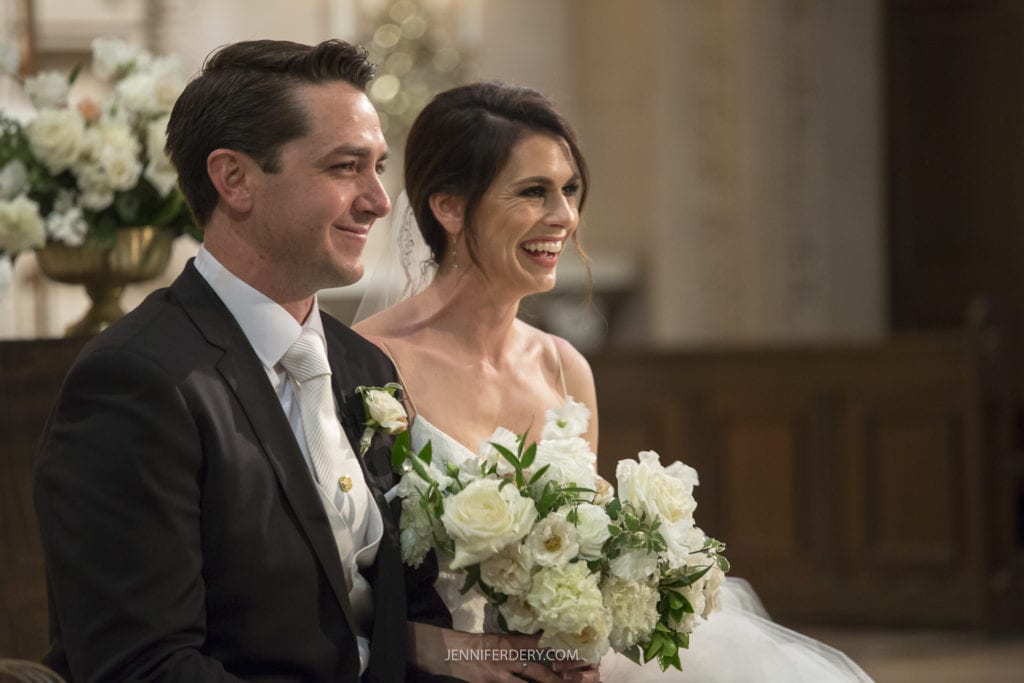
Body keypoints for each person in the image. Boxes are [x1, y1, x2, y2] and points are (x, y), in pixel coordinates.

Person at [354, 81, 873, 682]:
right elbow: (351, 586)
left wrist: (586, 635)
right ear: (448, 207)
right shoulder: (373, 364)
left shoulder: (564, 366)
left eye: (569, 190)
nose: (565, 218)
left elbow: (584, 557)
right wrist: (471, 657)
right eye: (533, 193)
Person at [33, 39, 449, 682]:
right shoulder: (138, 381)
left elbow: (405, 614)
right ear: (234, 179)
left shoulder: (366, 367)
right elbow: (142, 666)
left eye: (378, 167)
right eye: (345, 168)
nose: (378, 200)